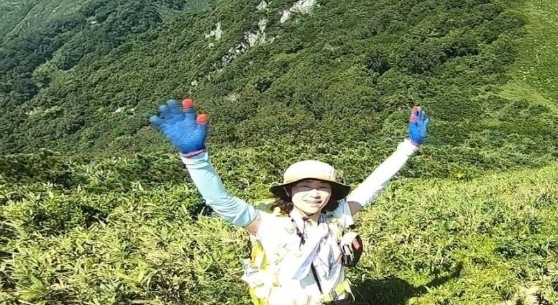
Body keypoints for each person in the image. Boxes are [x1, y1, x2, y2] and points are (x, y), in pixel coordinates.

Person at [149, 98, 429, 305]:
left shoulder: (337, 216)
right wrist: (195, 157)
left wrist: (409, 147)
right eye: (305, 186)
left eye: (323, 187)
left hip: (340, 300)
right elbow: (220, 201)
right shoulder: (268, 225)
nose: (315, 193)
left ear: (332, 194)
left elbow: (374, 184)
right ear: (289, 192)